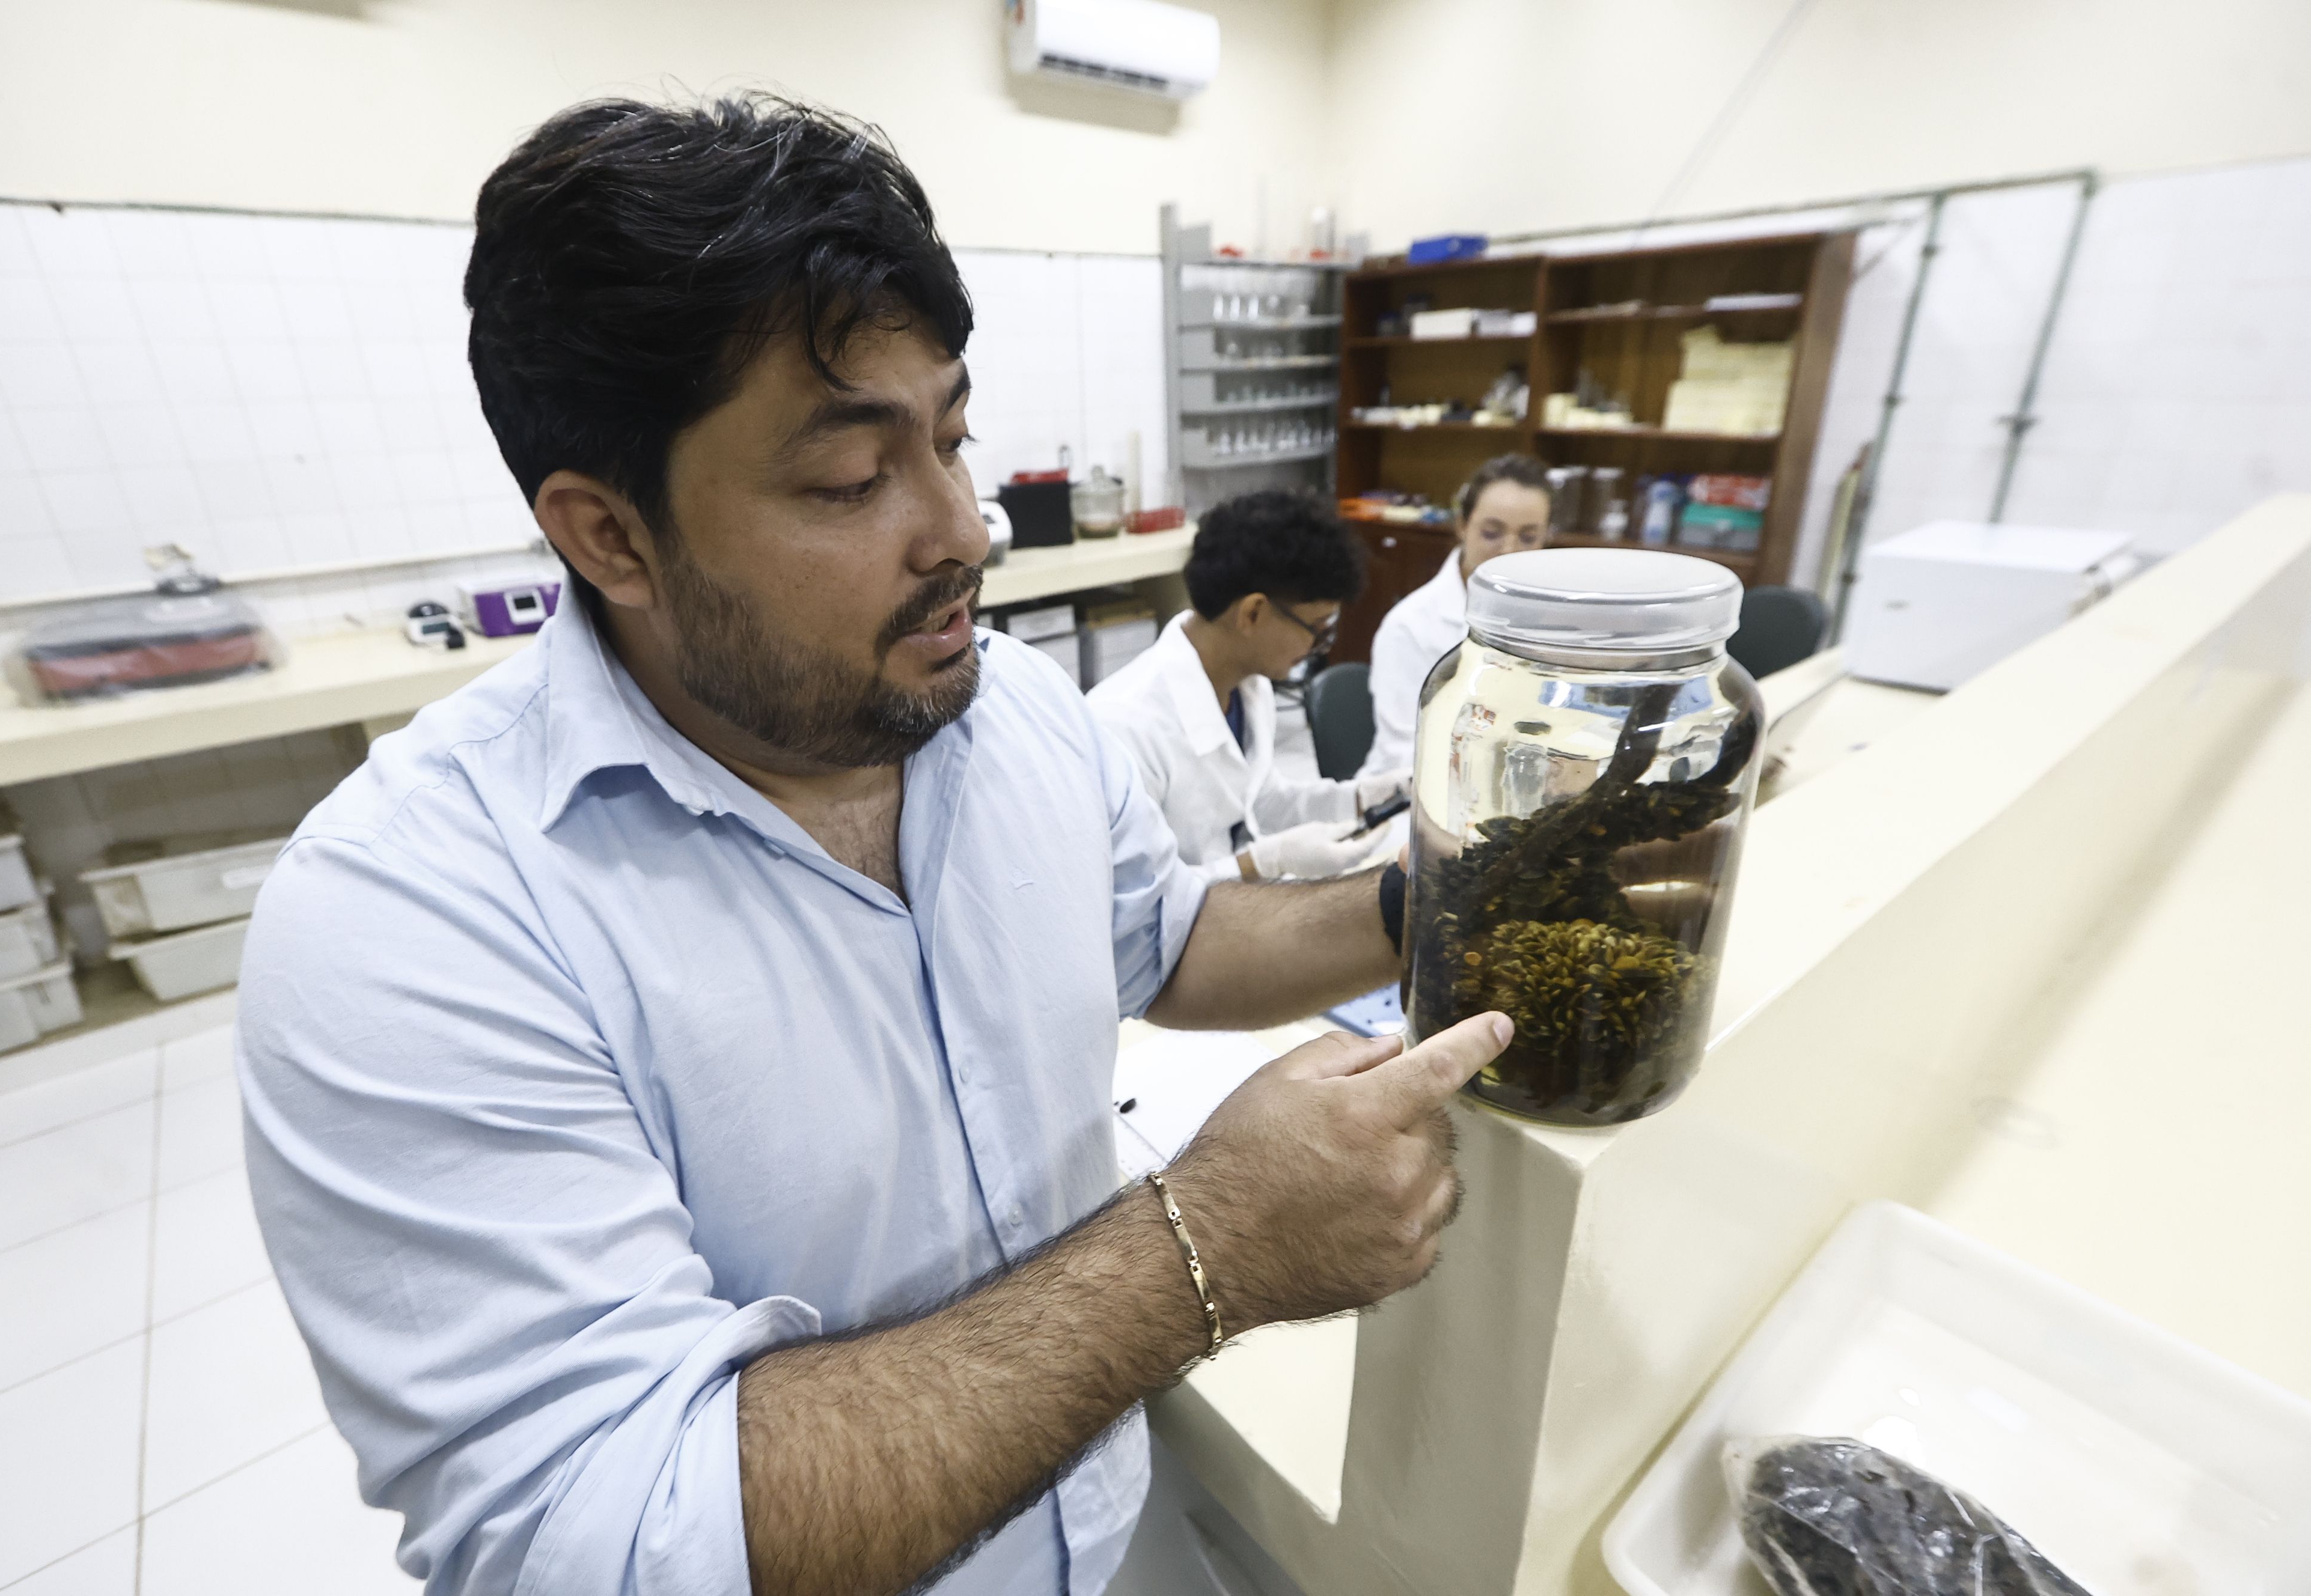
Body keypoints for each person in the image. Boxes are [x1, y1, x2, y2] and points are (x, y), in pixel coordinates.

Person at [235, 95, 1509, 1596]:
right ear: (610, 535)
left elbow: (1157, 936)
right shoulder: (415, 918)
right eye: (850, 481)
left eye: (954, 438)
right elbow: (607, 1540)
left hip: (1107, 1533)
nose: (961, 529)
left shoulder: (1007, 710)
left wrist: (1430, 898)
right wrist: (1207, 1247)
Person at [1087, 490, 1409, 883]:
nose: (1317, 649)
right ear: (1253, 613)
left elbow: (1262, 803)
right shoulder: (1124, 727)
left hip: (1228, 913)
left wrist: (1359, 799)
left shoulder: (1248, 685)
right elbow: (1141, 900)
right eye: (1317, 631)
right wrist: (1263, 863)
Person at [1360, 453, 1552, 779]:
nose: (1509, 551)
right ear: (1462, 526)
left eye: (1528, 537)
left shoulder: (1556, 619)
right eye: (1492, 533)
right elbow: (1406, 754)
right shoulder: (1410, 626)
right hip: (1412, 795)